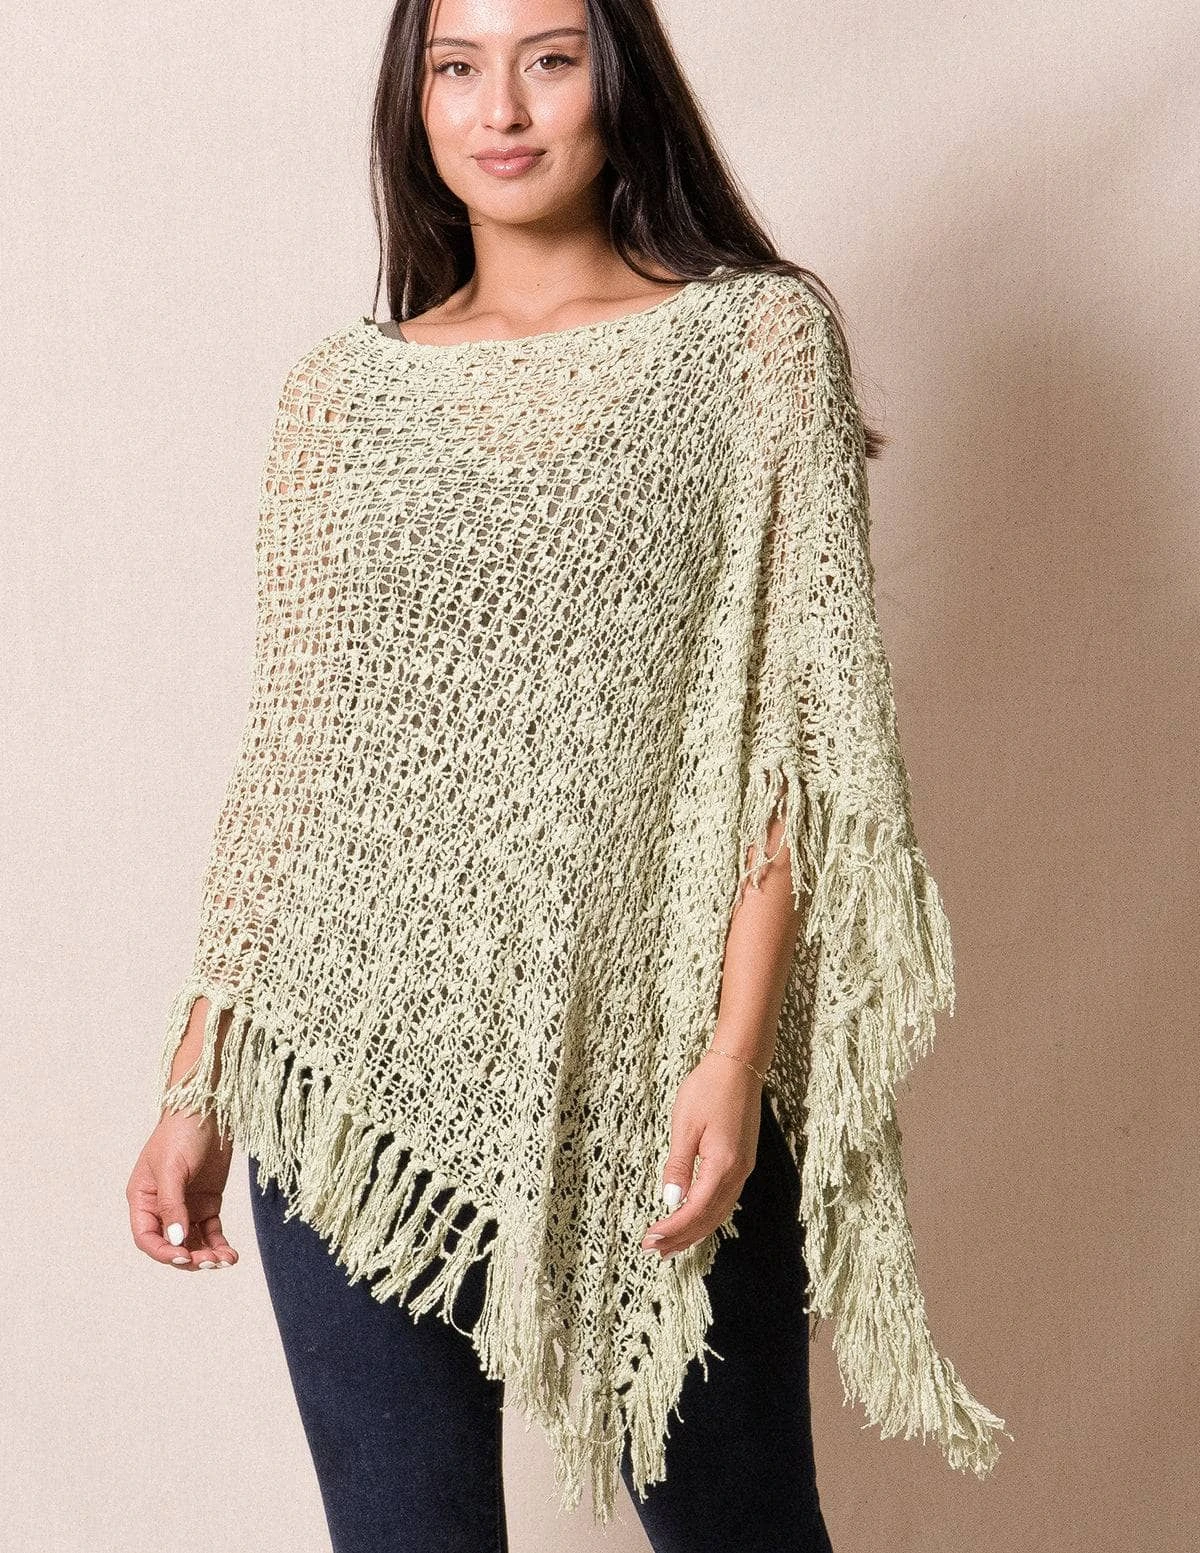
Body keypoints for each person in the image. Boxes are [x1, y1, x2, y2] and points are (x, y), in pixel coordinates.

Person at [126, 1, 1008, 1549]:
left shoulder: (754, 344)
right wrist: (199, 1080)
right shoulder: (341, 395)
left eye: (549, 58)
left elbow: (796, 736)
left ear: (618, 79)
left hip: (654, 1054)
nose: (502, 110)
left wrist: (732, 1057)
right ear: (414, 103)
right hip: (350, 1068)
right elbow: (297, 763)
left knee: (741, 1525)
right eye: (456, 68)